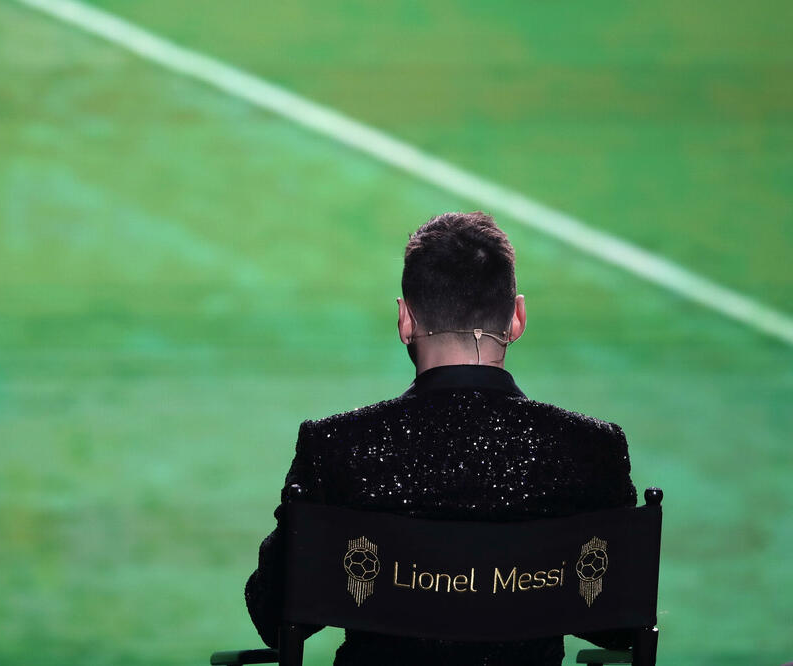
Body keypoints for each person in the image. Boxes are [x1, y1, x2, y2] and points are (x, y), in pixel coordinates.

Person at [245, 211, 637, 665]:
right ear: (517, 318)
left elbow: (273, 614)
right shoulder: (590, 449)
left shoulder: (337, 447)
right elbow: (617, 625)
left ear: (405, 320)